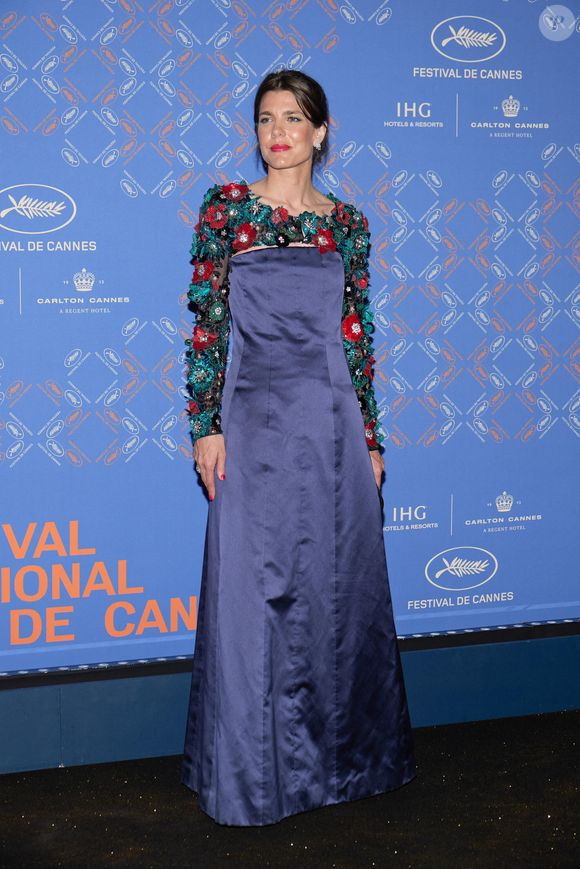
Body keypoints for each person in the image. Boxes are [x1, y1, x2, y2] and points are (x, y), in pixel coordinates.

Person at [181, 69, 416, 826]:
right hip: (251, 419)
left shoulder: (347, 224)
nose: (276, 131)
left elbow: (356, 340)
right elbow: (209, 326)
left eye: (293, 117)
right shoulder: (226, 211)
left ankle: (344, 766)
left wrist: (371, 438)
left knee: (335, 588)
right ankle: (252, 773)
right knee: (256, 595)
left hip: (332, 420)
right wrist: (205, 424)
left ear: (320, 131)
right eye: (265, 118)